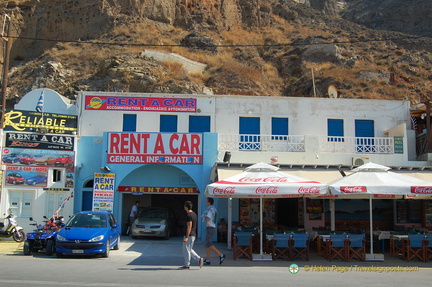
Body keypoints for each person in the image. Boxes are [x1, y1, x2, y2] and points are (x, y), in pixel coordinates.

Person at [180, 201, 203, 270]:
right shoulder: (194, 214)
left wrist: (186, 237)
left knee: (186, 250)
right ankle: (198, 259)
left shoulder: (189, 215)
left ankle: (187, 264)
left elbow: (189, 226)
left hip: (189, 235)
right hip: (193, 234)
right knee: (189, 249)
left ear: (186, 207)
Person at [202, 197, 225, 265]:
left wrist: (205, 217)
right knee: (207, 244)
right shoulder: (213, 209)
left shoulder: (209, 210)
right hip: (211, 227)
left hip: (210, 227)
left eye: (206, 201)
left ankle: (221, 255)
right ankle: (208, 259)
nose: (206, 202)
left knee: (209, 243)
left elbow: (208, 218)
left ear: (209, 202)